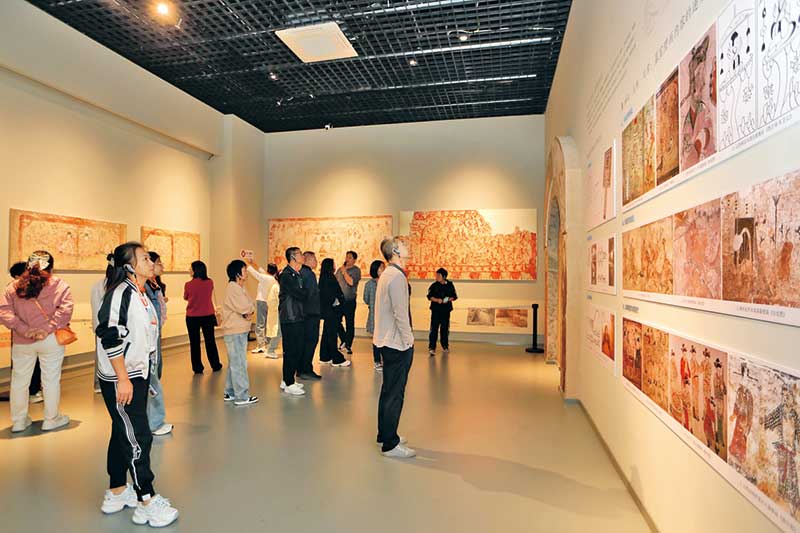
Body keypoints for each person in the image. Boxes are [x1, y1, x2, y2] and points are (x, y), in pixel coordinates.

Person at [95, 242, 179, 527]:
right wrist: (123, 378)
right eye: (144, 258)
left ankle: (117, 491)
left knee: (122, 431)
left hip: (137, 374)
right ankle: (147, 500)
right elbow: (109, 335)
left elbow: (144, 339)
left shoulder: (140, 292)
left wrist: (146, 376)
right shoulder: (120, 293)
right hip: (122, 377)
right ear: (129, 266)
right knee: (138, 438)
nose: (151, 262)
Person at [0, 251, 73, 433]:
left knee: (19, 381)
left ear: (28, 265)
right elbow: (65, 310)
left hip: (22, 341)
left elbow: (4, 311)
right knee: (50, 380)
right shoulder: (60, 285)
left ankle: (19, 421)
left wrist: (24, 329)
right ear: (51, 267)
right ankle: (51, 419)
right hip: (50, 340)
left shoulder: (14, 287)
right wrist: (47, 328)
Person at [374, 238, 415, 458]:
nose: (408, 247)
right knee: (395, 394)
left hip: (386, 341)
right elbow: (400, 314)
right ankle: (390, 444)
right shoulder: (397, 277)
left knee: (388, 390)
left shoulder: (387, 274)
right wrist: (409, 341)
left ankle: (385, 434)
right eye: (403, 244)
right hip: (397, 344)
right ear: (396, 251)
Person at [2, 262, 43, 404]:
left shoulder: (33, 286)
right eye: (26, 270)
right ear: (17, 276)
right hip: (25, 334)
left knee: (31, 365)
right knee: (26, 367)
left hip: (29, 333)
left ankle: (32, 391)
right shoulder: (14, 289)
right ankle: (32, 392)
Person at [221, 260, 258, 406]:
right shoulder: (233, 288)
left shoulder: (240, 287)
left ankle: (230, 392)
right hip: (234, 331)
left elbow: (251, 305)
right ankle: (241, 396)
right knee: (239, 363)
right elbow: (245, 307)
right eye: (244, 270)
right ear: (237, 273)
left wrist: (248, 310)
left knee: (234, 362)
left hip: (239, 330)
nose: (246, 272)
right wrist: (247, 311)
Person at [145, 252, 173, 435]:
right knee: (152, 377)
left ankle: (153, 420)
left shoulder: (154, 284)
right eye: (158, 262)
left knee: (155, 374)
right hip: (150, 336)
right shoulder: (144, 288)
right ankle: (154, 422)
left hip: (155, 333)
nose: (160, 265)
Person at [183, 260, 222, 374]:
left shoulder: (188, 285)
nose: (189, 270)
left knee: (194, 343)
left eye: (191, 268)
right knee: (210, 341)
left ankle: (197, 368)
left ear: (195, 270)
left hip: (192, 317)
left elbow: (186, 297)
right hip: (208, 316)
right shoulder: (210, 282)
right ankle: (215, 365)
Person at [278, 247, 307, 396]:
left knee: (296, 349)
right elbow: (299, 293)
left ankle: (287, 379)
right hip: (290, 317)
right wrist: (305, 292)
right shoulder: (286, 275)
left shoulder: (296, 273)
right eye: (300, 254)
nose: (303, 256)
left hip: (297, 315)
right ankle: (289, 383)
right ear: (293, 257)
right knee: (291, 350)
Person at [318, 258, 351, 367]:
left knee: (327, 333)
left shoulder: (324, 276)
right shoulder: (329, 277)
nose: (335, 266)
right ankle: (337, 359)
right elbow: (330, 294)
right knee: (332, 335)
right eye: (333, 264)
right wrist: (337, 301)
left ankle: (324, 356)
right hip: (332, 310)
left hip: (327, 310)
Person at [298, 252, 322, 380]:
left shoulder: (300, 272)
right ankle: (306, 369)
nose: (316, 262)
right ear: (308, 260)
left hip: (303, 313)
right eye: (314, 259)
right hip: (311, 313)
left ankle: (300, 368)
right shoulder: (309, 274)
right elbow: (312, 294)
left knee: (303, 342)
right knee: (311, 341)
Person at [90, 257, 113, 395]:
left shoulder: (98, 285)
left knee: (102, 356)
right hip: (105, 328)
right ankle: (100, 383)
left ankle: (100, 383)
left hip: (101, 327)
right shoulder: (103, 286)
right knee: (103, 357)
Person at [426, 267, 458, 356]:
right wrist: (437, 300)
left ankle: (445, 346)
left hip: (446, 310)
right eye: (436, 275)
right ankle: (432, 347)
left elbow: (454, 296)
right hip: (436, 310)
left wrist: (448, 299)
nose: (436, 277)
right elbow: (429, 296)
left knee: (445, 328)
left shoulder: (450, 285)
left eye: (438, 275)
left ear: (444, 276)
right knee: (434, 329)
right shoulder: (434, 285)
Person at [335, 250, 361, 355]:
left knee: (349, 323)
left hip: (349, 301)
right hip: (339, 301)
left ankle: (348, 344)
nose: (347, 259)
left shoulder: (356, 270)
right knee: (336, 321)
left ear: (354, 260)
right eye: (346, 257)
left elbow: (351, 282)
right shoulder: (339, 269)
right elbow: (335, 281)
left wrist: (344, 272)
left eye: (350, 257)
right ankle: (344, 339)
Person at [247, 260, 275, 355]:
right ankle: (268, 343)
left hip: (261, 301)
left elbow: (253, 272)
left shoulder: (264, 278)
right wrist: (253, 262)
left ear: (268, 270)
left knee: (260, 324)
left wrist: (246, 262)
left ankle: (260, 346)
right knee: (268, 324)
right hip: (269, 303)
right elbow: (260, 270)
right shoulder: (273, 279)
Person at [363, 260, 385, 371]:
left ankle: (385, 359)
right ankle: (377, 361)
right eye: (381, 267)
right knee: (376, 339)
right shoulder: (369, 284)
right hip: (374, 315)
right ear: (375, 269)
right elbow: (366, 299)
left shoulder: (386, 282)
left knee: (386, 339)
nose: (383, 269)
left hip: (386, 315)